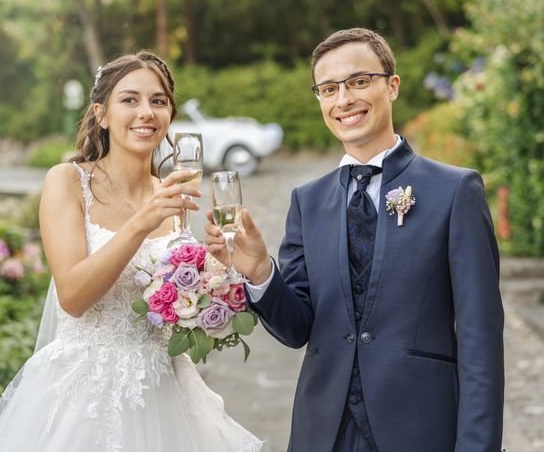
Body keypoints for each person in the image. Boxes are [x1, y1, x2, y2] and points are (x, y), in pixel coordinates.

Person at [205, 28, 504, 451]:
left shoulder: (456, 191)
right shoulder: (306, 202)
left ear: (392, 86)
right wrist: (258, 270)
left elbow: (481, 339)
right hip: (323, 432)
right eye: (328, 89)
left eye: (359, 82)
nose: (343, 99)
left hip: (422, 429)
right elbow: (297, 328)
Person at [0, 51, 263, 452]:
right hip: (84, 396)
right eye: (130, 100)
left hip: (164, 390)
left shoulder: (174, 195)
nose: (146, 112)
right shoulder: (67, 182)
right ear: (101, 114)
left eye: (158, 101)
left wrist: (221, 268)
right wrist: (141, 221)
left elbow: (179, 306)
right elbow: (72, 297)